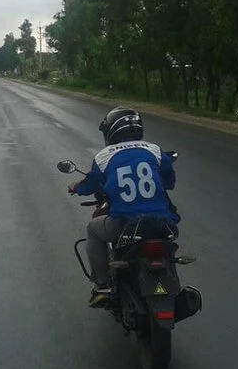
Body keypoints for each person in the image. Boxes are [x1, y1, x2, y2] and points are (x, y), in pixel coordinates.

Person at [69, 107, 179, 307]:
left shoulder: (104, 157)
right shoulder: (154, 150)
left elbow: (90, 185)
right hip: (162, 223)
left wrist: (75, 187)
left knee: (93, 229)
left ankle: (101, 284)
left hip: (124, 224)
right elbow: (169, 181)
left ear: (112, 131)